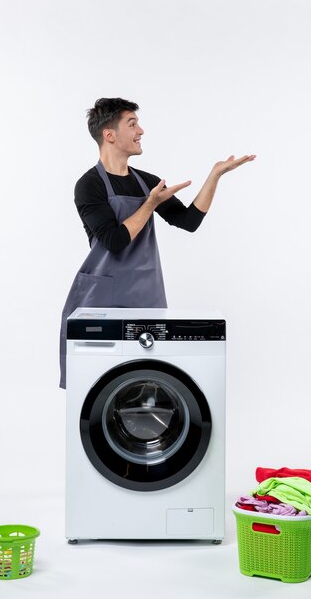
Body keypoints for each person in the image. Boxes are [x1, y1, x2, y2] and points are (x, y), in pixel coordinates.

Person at [59, 97, 255, 388]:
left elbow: (189, 221)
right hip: (101, 301)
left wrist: (214, 176)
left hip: (145, 296)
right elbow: (114, 240)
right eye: (132, 124)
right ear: (109, 135)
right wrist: (149, 205)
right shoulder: (89, 185)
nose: (141, 131)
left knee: (145, 383)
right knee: (96, 385)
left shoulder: (146, 181)